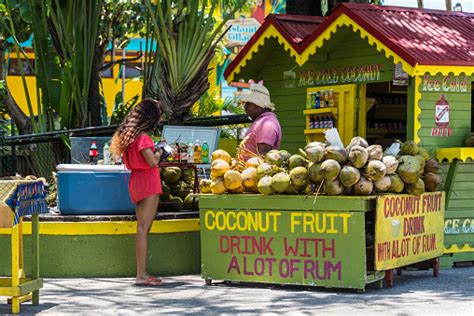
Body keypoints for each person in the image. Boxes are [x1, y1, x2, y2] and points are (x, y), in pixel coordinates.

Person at [110, 98, 165, 286]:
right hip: (148, 182)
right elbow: (152, 162)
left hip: (136, 181)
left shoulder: (129, 137)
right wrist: (161, 151)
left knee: (141, 228)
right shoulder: (143, 138)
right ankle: (141, 274)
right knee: (143, 229)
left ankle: (141, 273)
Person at [239, 83, 282, 160]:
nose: (245, 107)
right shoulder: (261, 120)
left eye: (249, 103)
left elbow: (263, 156)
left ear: (260, 104)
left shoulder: (267, 124)